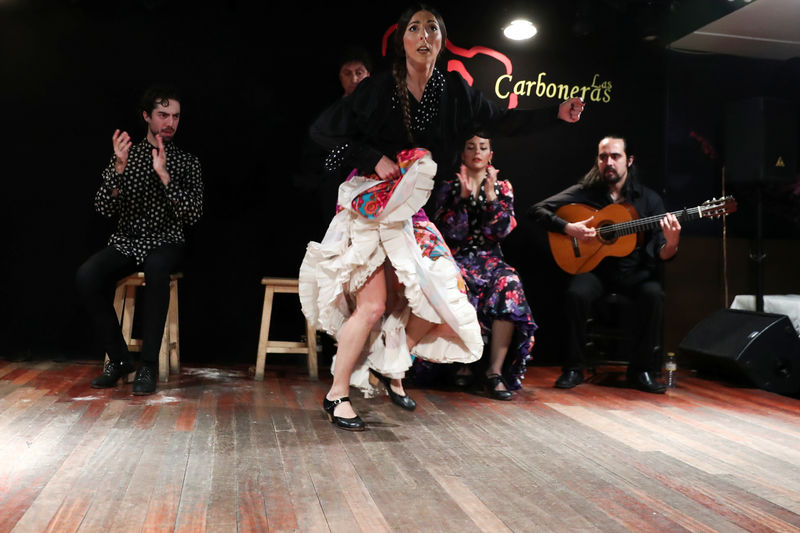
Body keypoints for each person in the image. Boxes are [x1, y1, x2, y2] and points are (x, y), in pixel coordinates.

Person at [301, 3, 584, 431]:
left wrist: (554, 114)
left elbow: (500, 121)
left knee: (439, 292)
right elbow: (323, 132)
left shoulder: (454, 91)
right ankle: (337, 394)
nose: (423, 35)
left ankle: (392, 368)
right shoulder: (378, 89)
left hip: (412, 212)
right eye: (414, 28)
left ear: (439, 40)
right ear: (403, 40)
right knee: (375, 304)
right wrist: (373, 157)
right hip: (371, 206)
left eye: (431, 28)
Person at [75, 84, 203, 395]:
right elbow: (104, 207)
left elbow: (193, 214)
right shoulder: (125, 155)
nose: (170, 122)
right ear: (147, 116)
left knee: (158, 271)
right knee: (87, 276)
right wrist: (118, 169)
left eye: (175, 116)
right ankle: (119, 361)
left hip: (166, 240)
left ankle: (148, 366)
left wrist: (165, 177)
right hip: (127, 240)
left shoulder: (186, 162)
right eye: (163, 115)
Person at [529, 135, 680, 394]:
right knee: (576, 294)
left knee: (654, 295)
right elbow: (537, 210)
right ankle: (574, 368)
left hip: (633, 273)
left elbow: (661, 253)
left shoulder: (649, 200)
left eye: (615, 156)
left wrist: (672, 242)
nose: (608, 162)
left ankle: (641, 370)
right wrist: (569, 228)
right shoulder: (585, 193)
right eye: (603, 157)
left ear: (629, 161)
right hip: (594, 270)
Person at [430, 133, 537, 400]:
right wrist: (464, 200)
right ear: (463, 155)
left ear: (491, 155)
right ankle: (463, 361)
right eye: (470, 147)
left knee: (509, 284)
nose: (477, 151)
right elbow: (450, 233)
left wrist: (490, 197)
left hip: (490, 258)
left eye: (483, 147)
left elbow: (500, 232)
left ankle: (494, 371)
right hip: (457, 257)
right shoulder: (449, 187)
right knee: (458, 283)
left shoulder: (503, 188)